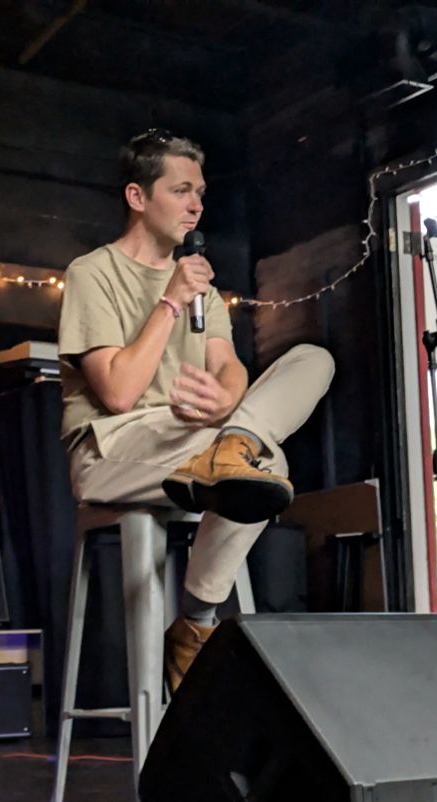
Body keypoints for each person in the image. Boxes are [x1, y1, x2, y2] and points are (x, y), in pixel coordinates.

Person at [58, 128, 334, 692]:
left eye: (200, 193)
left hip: (191, 437)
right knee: (266, 469)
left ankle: (195, 616)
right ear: (138, 197)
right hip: (113, 447)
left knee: (314, 359)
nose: (196, 205)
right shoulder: (93, 273)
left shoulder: (204, 287)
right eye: (181, 190)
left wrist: (228, 398)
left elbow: (228, 366)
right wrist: (171, 301)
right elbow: (118, 393)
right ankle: (200, 618)